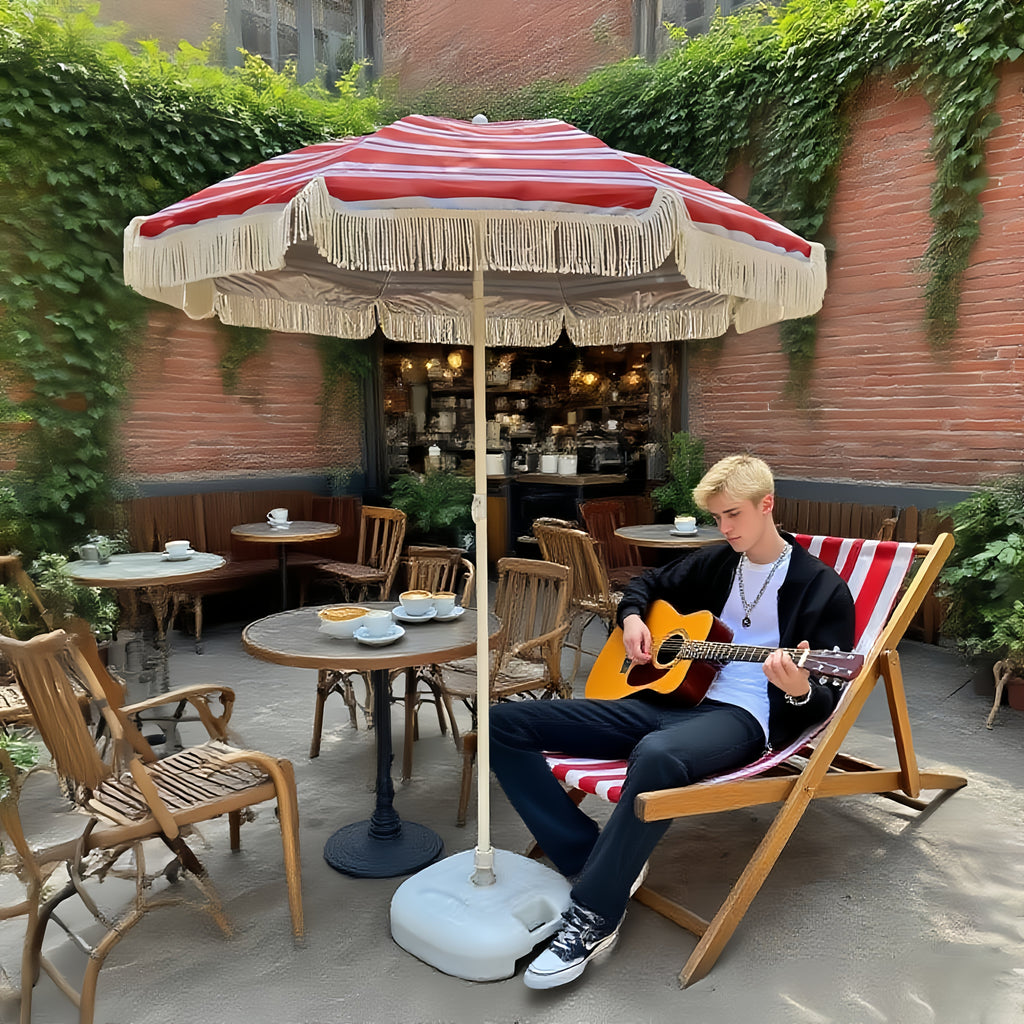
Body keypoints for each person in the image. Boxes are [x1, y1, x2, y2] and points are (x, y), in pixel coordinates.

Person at [490, 454, 856, 989]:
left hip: (742, 718)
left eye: (733, 515)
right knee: (503, 724)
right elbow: (647, 584)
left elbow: (825, 697)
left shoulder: (821, 587)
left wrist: (799, 688)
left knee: (657, 754)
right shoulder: (720, 562)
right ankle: (590, 857)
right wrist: (632, 619)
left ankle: (594, 913)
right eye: (717, 518)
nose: (725, 528)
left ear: (767, 505)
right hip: (669, 696)